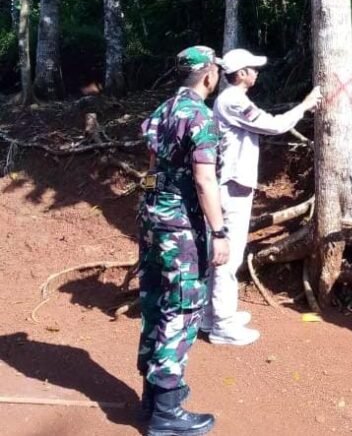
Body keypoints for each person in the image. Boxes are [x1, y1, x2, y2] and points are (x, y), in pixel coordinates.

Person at [136, 45, 230, 435]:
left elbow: (152, 168)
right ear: (209, 75)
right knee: (181, 306)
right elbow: (205, 180)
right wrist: (219, 232)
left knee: (156, 301)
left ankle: (152, 396)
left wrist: (153, 208)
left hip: (153, 218)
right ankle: (166, 411)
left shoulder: (163, 110)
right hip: (180, 225)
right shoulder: (200, 117)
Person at [202, 48, 322, 346]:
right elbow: (274, 125)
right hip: (231, 187)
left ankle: (211, 315)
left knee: (223, 254)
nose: (257, 73)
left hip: (232, 185)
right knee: (228, 256)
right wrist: (305, 105)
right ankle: (222, 325)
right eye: (253, 69)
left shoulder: (232, 99)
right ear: (241, 73)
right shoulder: (233, 100)